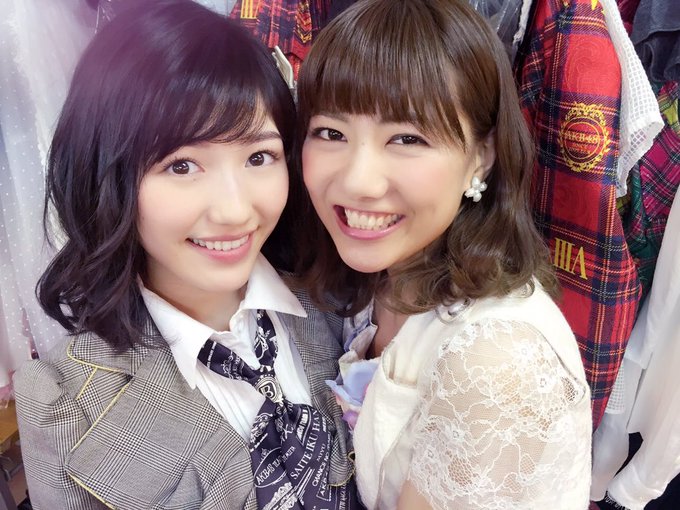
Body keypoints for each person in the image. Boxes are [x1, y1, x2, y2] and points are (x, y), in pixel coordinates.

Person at [13, 2, 359, 509]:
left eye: (258, 157)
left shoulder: (335, 304)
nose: (235, 210)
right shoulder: (63, 403)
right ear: (106, 176)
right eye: (182, 166)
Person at [296, 0, 593, 508]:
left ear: (481, 156)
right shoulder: (385, 272)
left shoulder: (494, 360)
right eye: (331, 133)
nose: (357, 181)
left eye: (406, 138)